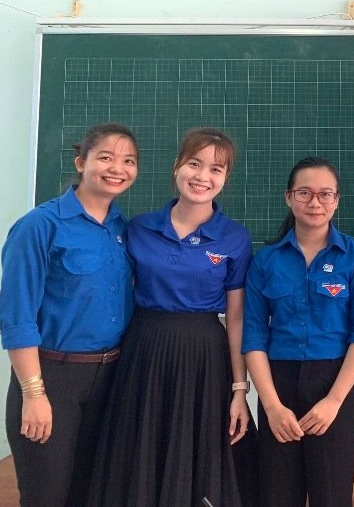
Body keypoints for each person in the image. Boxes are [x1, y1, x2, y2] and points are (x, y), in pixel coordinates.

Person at [87, 127, 254, 507]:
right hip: (143, 352)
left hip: (204, 357)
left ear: (225, 178)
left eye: (216, 169)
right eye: (194, 164)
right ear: (177, 166)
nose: (202, 176)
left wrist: (239, 389)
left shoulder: (235, 238)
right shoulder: (138, 228)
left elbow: (236, 317)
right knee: (140, 450)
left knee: (197, 455)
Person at [0, 123, 139, 507]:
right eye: (105, 157)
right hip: (52, 379)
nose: (117, 168)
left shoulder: (124, 229)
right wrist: (34, 393)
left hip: (110, 379)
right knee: (47, 495)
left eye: (128, 161)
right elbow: (16, 315)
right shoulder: (39, 226)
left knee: (94, 494)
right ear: (81, 162)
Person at [243, 156, 354, 507]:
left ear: (337, 200)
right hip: (279, 385)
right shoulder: (266, 260)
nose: (315, 202)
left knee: (331, 495)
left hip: (334, 383)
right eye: (304, 193)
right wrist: (272, 406)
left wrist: (334, 401)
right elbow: (253, 335)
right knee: (276, 495)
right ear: (289, 197)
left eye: (325, 194)